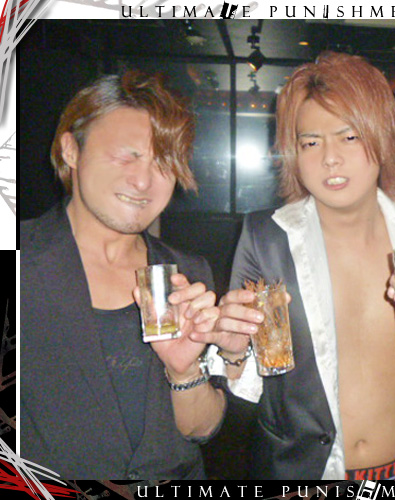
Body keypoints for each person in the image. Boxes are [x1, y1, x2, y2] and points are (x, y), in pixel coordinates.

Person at [183, 52, 395, 480]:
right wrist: (232, 354)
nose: (329, 158)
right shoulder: (267, 239)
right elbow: (248, 385)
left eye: (349, 137)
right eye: (311, 142)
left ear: (381, 138)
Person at [20, 71, 225, 479]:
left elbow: (201, 429)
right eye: (126, 156)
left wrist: (184, 372)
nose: (144, 180)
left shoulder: (189, 277)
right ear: (71, 150)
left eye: (163, 162)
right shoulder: (20, 260)